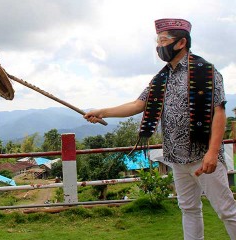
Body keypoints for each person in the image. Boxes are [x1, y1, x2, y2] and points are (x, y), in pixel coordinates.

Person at [84, 18, 236, 240]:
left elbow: (219, 112)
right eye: (157, 41)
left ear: (181, 42)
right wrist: (102, 112)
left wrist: (212, 153)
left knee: (226, 210)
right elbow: (138, 104)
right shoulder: (161, 78)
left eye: (163, 40)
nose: (159, 47)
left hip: (203, 156)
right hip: (175, 158)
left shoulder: (206, 71)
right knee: (189, 209)